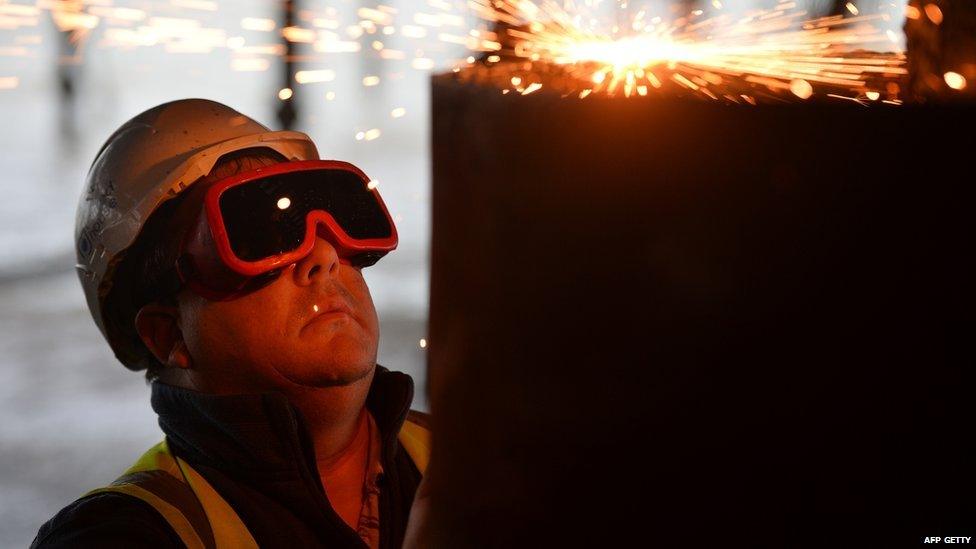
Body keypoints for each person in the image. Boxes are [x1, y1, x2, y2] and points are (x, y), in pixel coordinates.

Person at [31, 99, 430, 548]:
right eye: (261, 234)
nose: (323, 256)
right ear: (170, 335)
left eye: (330, 221)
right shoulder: (119, 535)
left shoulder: (476, 458)